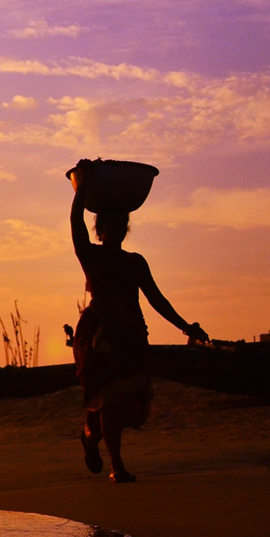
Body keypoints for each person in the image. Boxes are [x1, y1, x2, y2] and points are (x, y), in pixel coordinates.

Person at [70, 169, 207, 482]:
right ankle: (117, 466)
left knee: (135, 406)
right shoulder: (91, 255)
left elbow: (156, 298)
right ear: (99, 229)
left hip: (130, 335)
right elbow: (76, 223)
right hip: (99, 337)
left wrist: (186, 327)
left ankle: (91, 435)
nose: (117, 229)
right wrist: (82, 189)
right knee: (110, 399)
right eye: (111, 224)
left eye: (122, 224)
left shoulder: (135, 262)